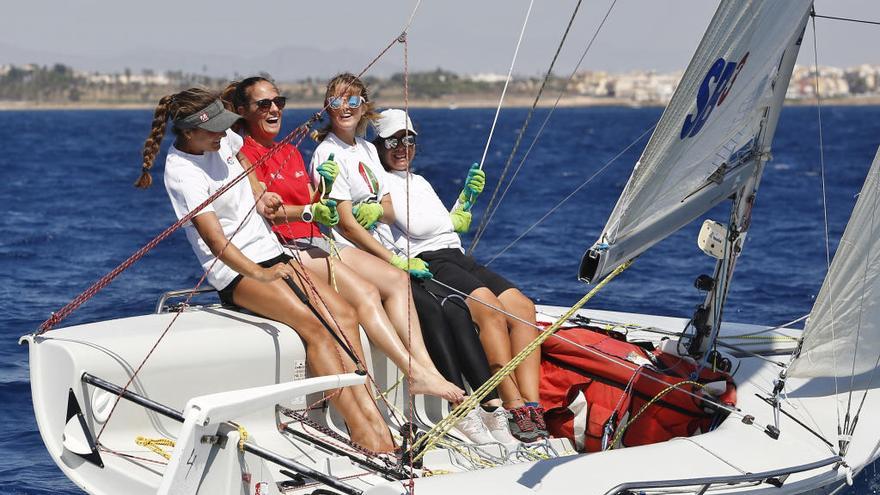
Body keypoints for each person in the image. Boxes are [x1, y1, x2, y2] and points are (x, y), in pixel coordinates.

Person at [134, 87, 393, 452]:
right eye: (216, 130)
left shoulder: (221, 141)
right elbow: (216, 243)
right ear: (190, 132)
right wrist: (261, 275)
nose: (225, 134)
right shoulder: (181, 173)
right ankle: (361, 431)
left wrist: (259, 192)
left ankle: (374, 418)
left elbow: (241, 157)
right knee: (315, 328)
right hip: (237, 272)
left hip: (273, 254)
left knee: (346, 315)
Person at [222, 76, 464, 404]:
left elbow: (313, 200)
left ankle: (428, 369)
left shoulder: (290, 152)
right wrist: (313, 212)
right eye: (263, 105)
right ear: (243, 111)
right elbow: (270, 211)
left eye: (279, 102)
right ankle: (414, 373)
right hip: (286, 247)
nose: (274, 109)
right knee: (365, 292)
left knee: (397, 280)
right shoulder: (244, 154)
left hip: (317, 243)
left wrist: (323, 193)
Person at [372, 108, 549, 442]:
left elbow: (442, 225)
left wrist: (463, 203)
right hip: (429, 261)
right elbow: (405, 225)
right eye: (392, 140)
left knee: (523, 308)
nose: (401, 147)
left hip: (456, 254)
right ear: (378, 145)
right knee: (488, 307)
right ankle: (513, 407)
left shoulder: (419, 181)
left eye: (408, 139)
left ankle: (532, 404)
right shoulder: (380, 183)